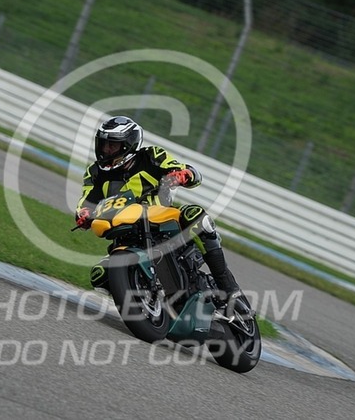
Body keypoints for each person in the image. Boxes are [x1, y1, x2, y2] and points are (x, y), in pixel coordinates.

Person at [75, 115, 243, 306]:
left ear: (128, 145)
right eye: (103, 144)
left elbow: (189, 172)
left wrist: (182, 175)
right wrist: (83, 214)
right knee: (99, 275)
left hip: (161, 220)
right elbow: (86, 202)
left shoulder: (151, 156)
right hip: (123, 231)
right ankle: (143, 301)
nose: (106, 150)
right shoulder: (95, 172)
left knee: (195, 215)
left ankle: (227, 285)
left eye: (112, 145)